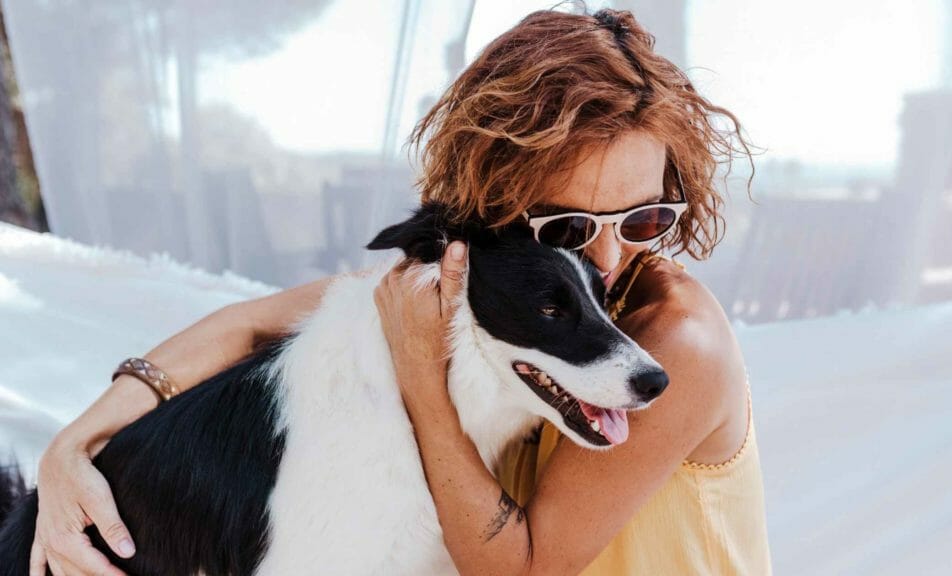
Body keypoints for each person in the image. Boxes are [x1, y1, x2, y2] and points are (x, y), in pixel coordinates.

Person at [28, 7, 771, 576]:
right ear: (503, 205)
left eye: (644, 218)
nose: (609, 257)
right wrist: (74, 444)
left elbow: (523, 565)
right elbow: (250, 325)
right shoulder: (481, 283)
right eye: (570, 227)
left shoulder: (682, 344)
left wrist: (420, 373)